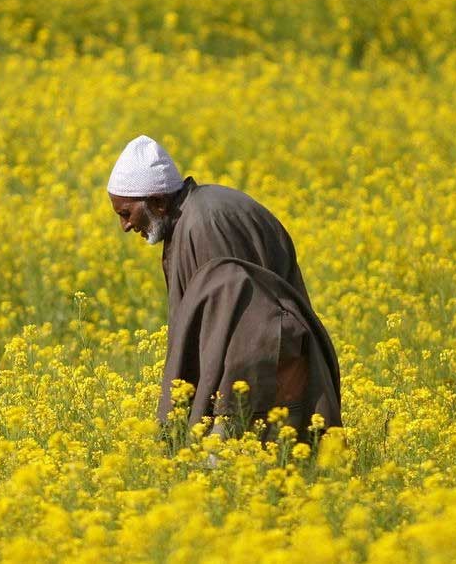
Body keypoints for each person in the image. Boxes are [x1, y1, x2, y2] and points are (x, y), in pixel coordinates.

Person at [106, 135, 341, 442]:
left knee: (240, 468)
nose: (125, 226)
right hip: (262, 365)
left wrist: (210, 414)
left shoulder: (205, 224)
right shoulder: (194, 215)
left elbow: (239, 324)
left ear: (159, 203)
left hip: (261, 370)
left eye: (126, 214)